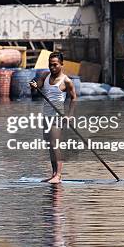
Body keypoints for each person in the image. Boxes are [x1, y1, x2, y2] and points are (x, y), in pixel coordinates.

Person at [29, 52, 77, 183]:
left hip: (58, 116)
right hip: (46, 115)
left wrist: (70, 115)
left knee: (55, 144)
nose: (52, 67)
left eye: (55, 65)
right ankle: (54, 173)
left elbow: (73, 98)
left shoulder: (67, 81)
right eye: (50, 65)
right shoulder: (45, 76)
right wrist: (33, 86)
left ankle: (59, 175)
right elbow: (37, 87)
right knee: (50, 145)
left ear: (61, 64)